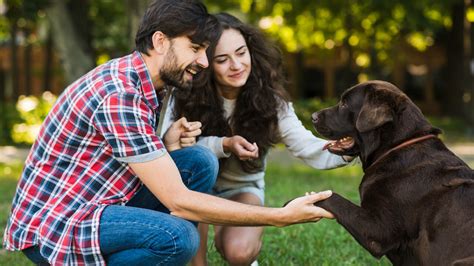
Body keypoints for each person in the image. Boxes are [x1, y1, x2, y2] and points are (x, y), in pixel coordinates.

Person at [2, 1, 335, 265]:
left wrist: (165, 144)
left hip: (100, 201)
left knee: (199, 161)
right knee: (178, 238)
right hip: (57, 225)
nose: (204, 62)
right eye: (196, 48)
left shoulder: (147, 83)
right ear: (160, 41)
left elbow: (124, 157)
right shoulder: (121, 95)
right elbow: (178, 200)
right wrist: (280, 216)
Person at [168, 13, 354, 265]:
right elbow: (170, 151)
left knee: (239, 252)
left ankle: (234, 241)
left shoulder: (271, 103)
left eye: (241, 53)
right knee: (194, 175)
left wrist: (344, 149)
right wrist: (224, 144)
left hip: (240, 188)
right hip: (193, 187)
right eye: (222, 59)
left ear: (251, 52)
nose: (236, 65)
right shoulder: (183, 96)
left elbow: (306, 145)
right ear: (205, 63)